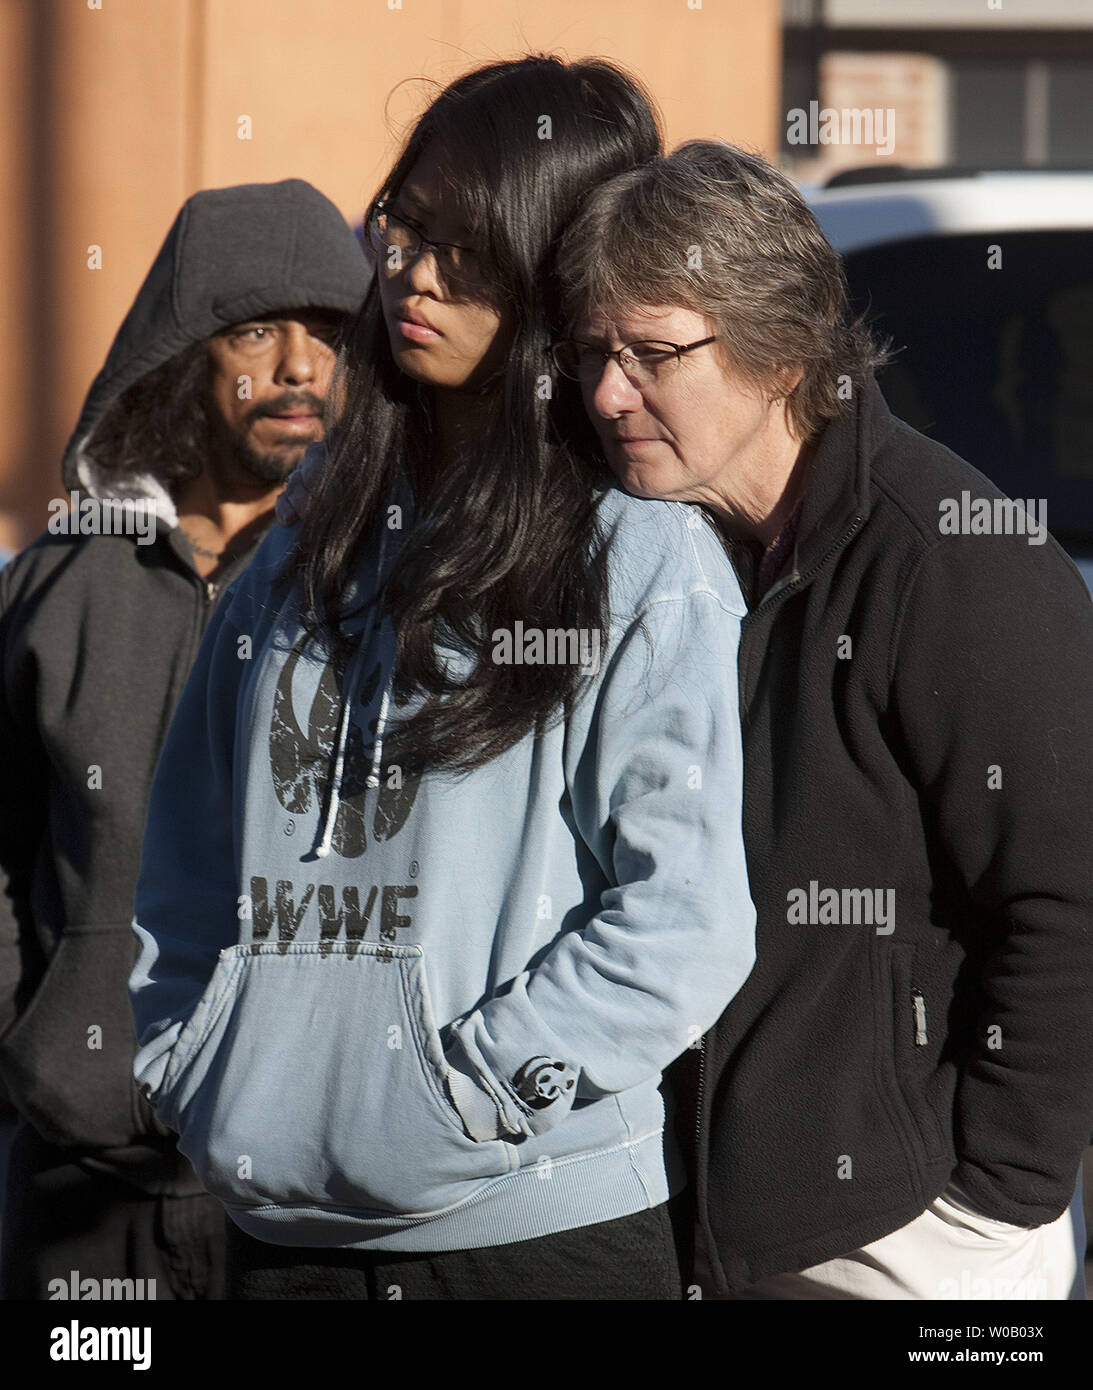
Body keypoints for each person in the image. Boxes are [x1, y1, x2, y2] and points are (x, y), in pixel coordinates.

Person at [127, 56, 756, 1302]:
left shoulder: (636, 553)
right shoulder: (312, 525)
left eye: (465, 245)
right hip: (281, 1231)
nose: (414, 271)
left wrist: (462, 1095)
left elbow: (683, 919)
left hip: (535, 1238)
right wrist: (188, 1050)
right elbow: (192, 829)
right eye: (404, 224)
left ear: (546, 271)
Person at [554, 138, 1093, 1300]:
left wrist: (990, 1193)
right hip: (715, 1227)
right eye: (594, 353)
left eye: (651, 353)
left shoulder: (950, 561)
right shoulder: (670, 554)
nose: (608, 392)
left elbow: (1064, 904)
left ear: (780, 353)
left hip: (908, 1240)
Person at [0, 178, 370, 1300]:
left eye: (328, 334)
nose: (300, 366)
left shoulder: (379, 586)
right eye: (255, 329)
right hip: (84, 1190)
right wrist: (38, 1048)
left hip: (313, 1195)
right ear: (182, 353)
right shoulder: (61, 586)